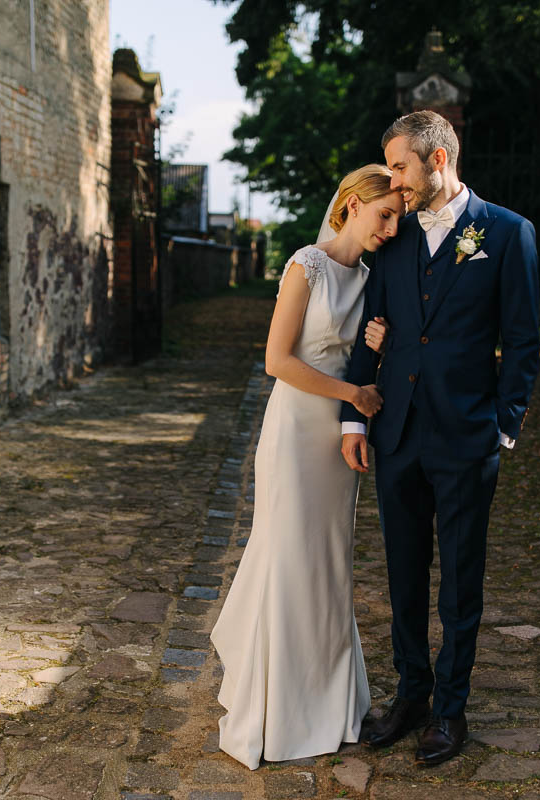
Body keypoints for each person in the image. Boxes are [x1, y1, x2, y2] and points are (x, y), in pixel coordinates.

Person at [340, 111, 540, 766]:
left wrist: (503, 427)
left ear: (438, 159)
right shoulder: (392, 240)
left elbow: (523, 339)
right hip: (395, 432)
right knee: (401, 575)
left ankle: (451, 709)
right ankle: (412, 693)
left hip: (466, 438)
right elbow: (374, 324)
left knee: (460, 582)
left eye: (399, 166)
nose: (392, 181)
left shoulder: (507, 234)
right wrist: (354, 414)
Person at [211, 164, 405, 770]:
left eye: (399, 217)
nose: (393, 227)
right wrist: (353, 397)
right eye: (385, 214)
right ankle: (274, 705)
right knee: (288, 554)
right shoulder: (306, 264)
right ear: (351, 205)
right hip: (296, 429)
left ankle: (330, 701)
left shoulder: (375, 278)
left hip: (338, 443)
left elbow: (363, 360)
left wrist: (378, 349)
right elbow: (277, 361)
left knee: (329, 562)